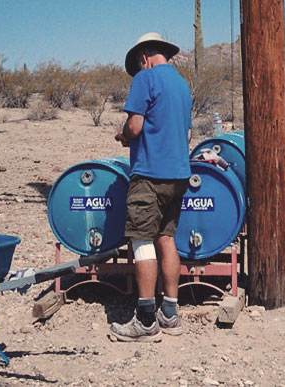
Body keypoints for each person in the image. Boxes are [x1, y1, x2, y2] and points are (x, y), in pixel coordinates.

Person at [109, 32, 192, 342]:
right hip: (179, 175)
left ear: (144, 57)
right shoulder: (183, 85)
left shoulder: (145, 79)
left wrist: (124, 136)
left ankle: (145, 321)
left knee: (142, 242)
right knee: (166, 238)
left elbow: (135, 126)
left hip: (149, 174)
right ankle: (170, 314)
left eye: (139, 63)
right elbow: (185, 136)